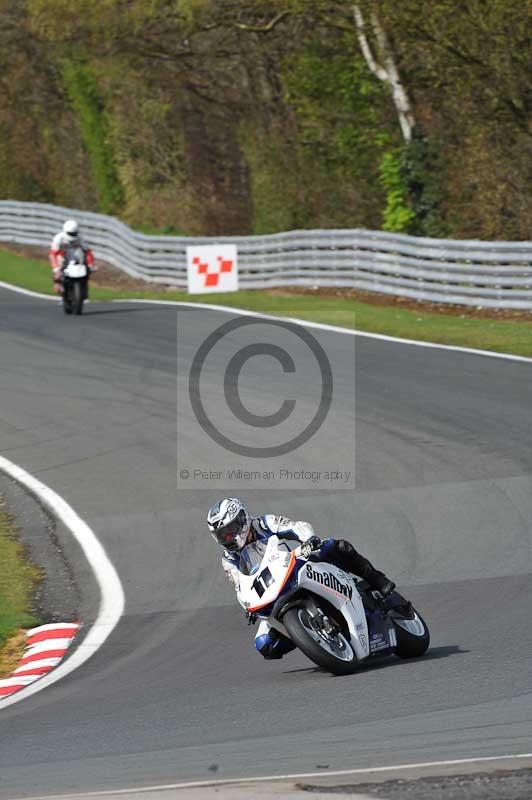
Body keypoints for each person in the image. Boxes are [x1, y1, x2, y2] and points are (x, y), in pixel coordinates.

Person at [207, 497, 409, 660]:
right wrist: (248, 608)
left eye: (229, 531)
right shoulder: (229, 559)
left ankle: (379, 582)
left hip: (298, 564)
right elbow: (239, 584)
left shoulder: (264, 523)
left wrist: (308, 540)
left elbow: (296, 527)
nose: (227, 538)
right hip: (273, 592)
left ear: (242, 520)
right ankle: (309, 634)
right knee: (265, 645)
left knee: (338, 547)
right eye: (221, 535)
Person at [48, 219, 95, 294]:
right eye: (71, 233)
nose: (72, 235)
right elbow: (53, 253)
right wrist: (56, 268)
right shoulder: (58, 238)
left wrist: (90, 264)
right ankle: (58, 283)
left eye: (74, 233)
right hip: (62, 256)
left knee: (86, 267)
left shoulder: (80, 238)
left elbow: (87, 252)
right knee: (58, 268)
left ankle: (84, 286)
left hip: (74, 256)